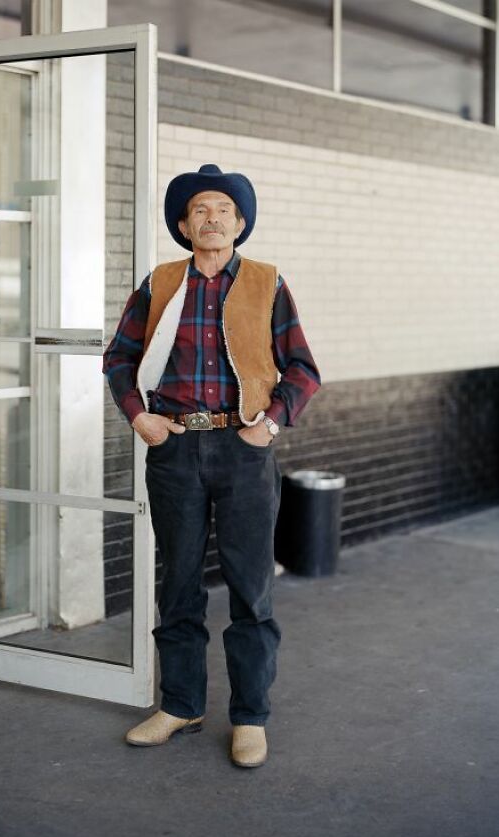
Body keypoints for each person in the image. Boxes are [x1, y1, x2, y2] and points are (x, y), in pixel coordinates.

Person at [102, 164, 320, 767]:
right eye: (200, 209)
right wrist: (138, 418)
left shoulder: (267, 284)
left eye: (223, 209)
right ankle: (180, 705)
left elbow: (303, 369)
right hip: (174, 449)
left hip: (242, 450)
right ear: (183, 223)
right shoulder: (160, 283)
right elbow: (118, 357)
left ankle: (250, 717)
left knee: (251, 590)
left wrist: (270, 424)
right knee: (178, 585)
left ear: (240, 222)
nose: (212, 218)